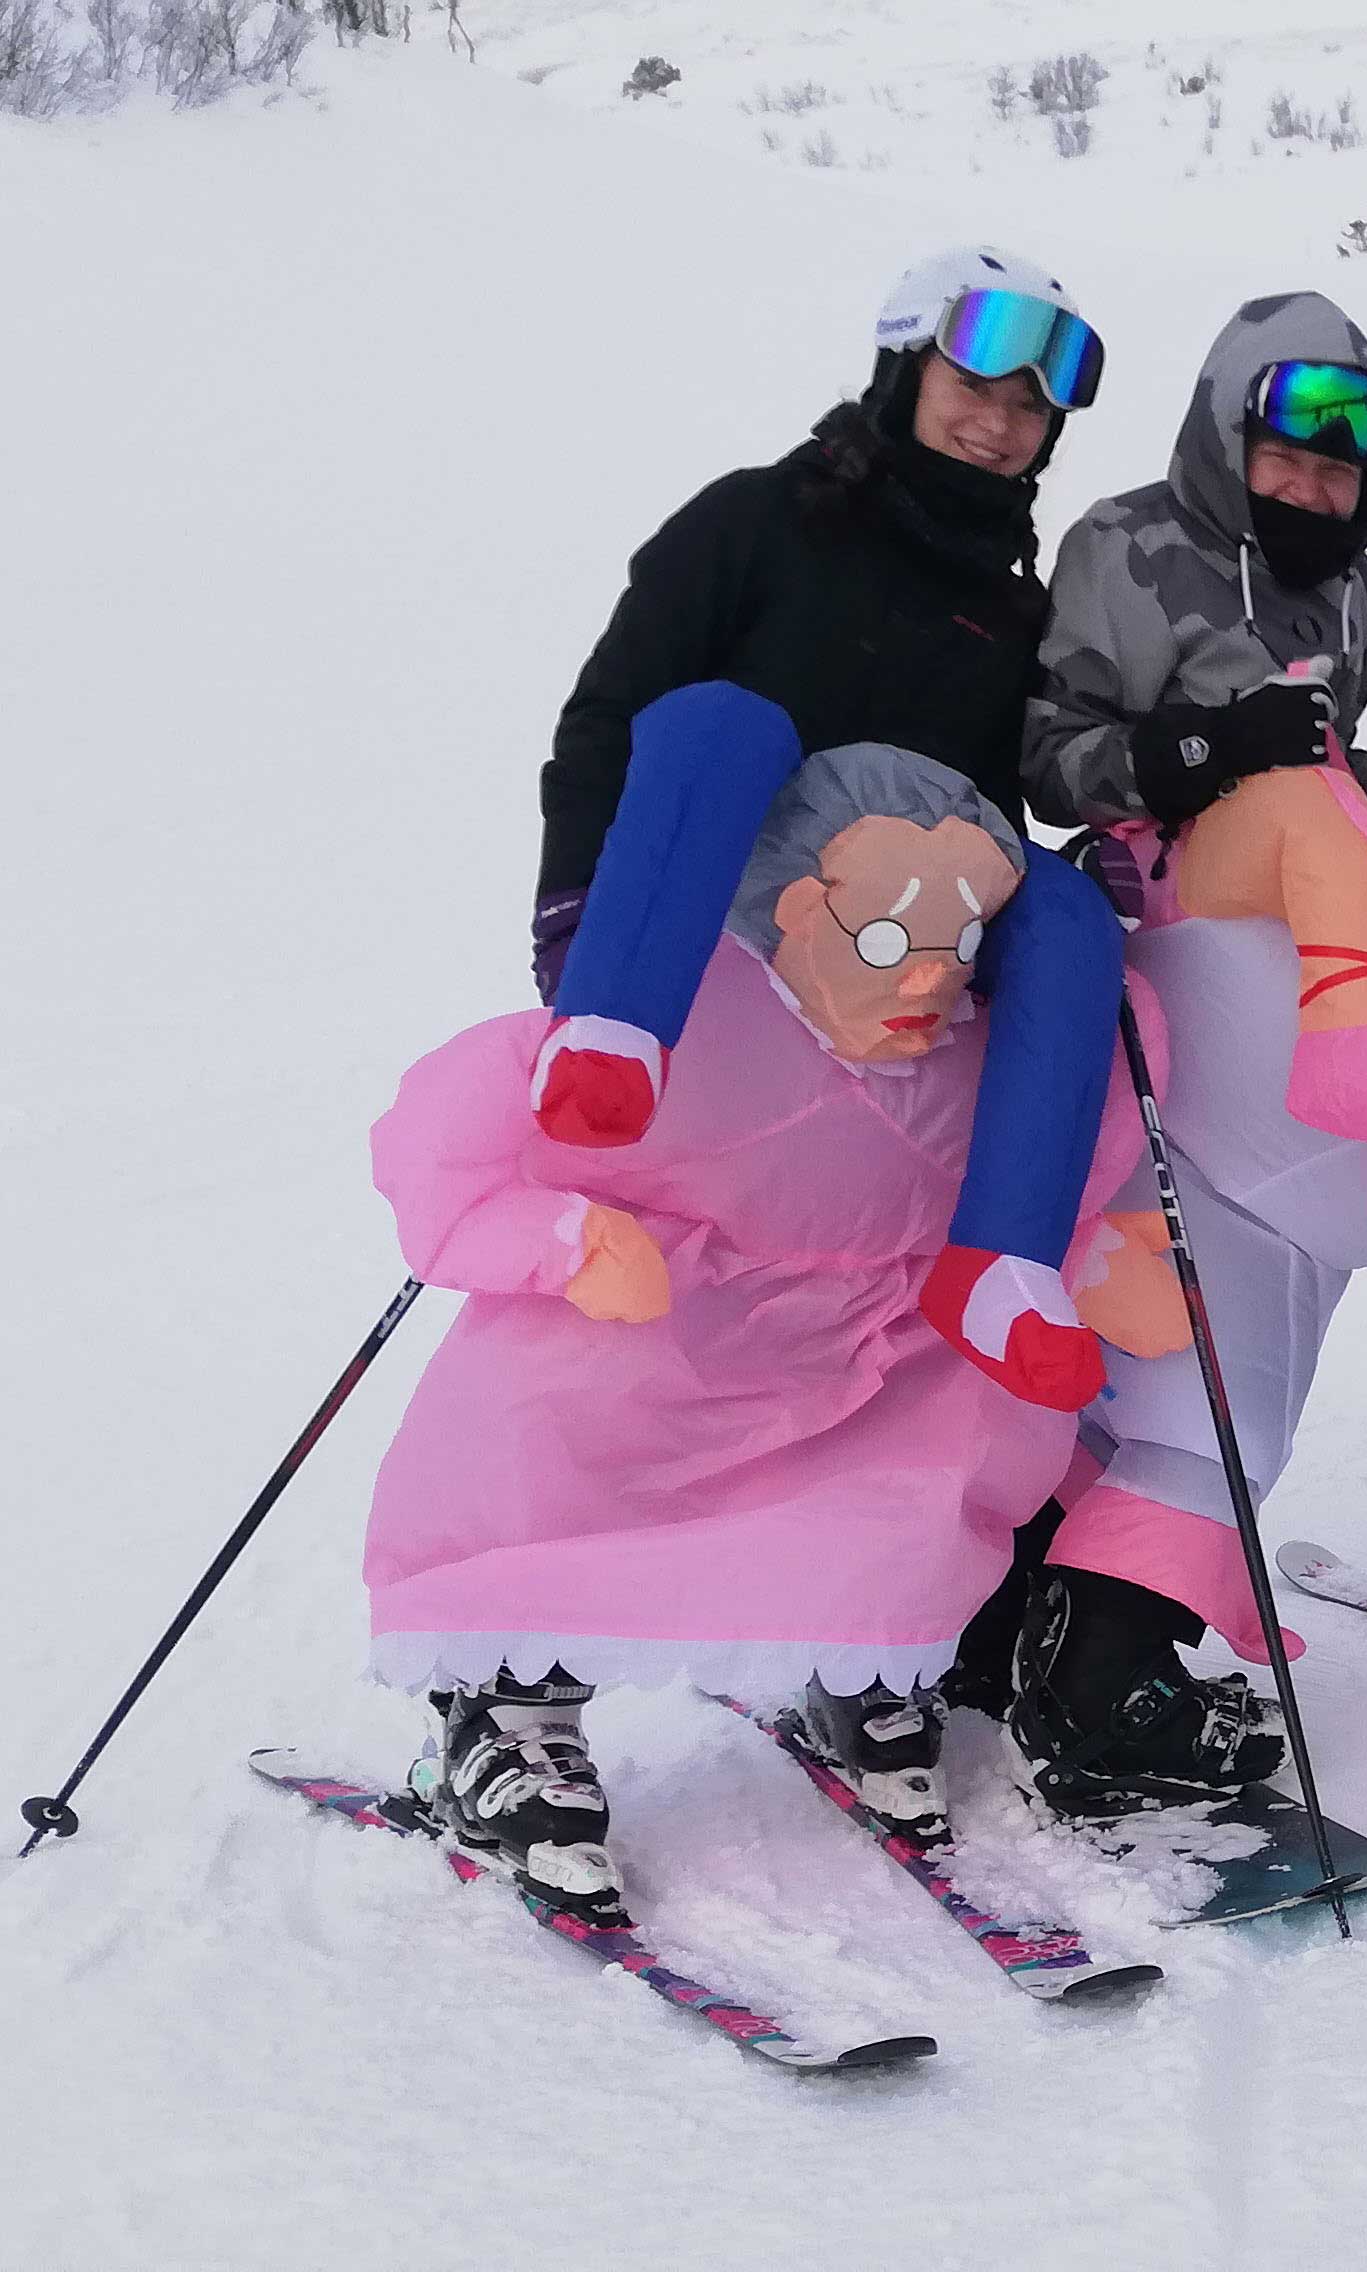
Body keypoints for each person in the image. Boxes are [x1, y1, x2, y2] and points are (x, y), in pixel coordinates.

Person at [365, 698, 1139, 1922]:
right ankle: (502, 1712)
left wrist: (1106, 1250)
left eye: (958, 943)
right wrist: (559, 1238)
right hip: (661, 1332)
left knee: (905, 1485)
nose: (927, 977)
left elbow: (1078, 1138)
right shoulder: (692, 1018)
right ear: (788, 909)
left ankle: (858, 1668)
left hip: (867, 1347)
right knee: (551, 1464)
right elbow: (450, 1137)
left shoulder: (970, 1053)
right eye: (885, 937)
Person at [530, 246, 1129, 1412]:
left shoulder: (1015, 604)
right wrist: (572, 909)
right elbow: (611, 715)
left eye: (1028, 409)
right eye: (974, 388)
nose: (999, 427)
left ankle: (1001, 1262)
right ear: (904, 374)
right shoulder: (760, 519)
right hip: (732, 886)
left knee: (1066, 907)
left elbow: (990, 810)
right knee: (721, 721)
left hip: (894, 930)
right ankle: (613, 1026)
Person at [991, 293, 1367, 1804]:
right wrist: (1198, 755)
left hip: (1295, 972)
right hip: (1158, 944)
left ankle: (1073, 1596)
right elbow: (1047, 756)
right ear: (1229, 440)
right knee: (1188, 1299)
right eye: (1285, 458)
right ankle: (1088, 1639)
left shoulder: (1357, 591)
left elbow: (1334, 773)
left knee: (1282, 1272)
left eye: (1340, 472)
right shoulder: (1126, 544)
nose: (1311, 489)